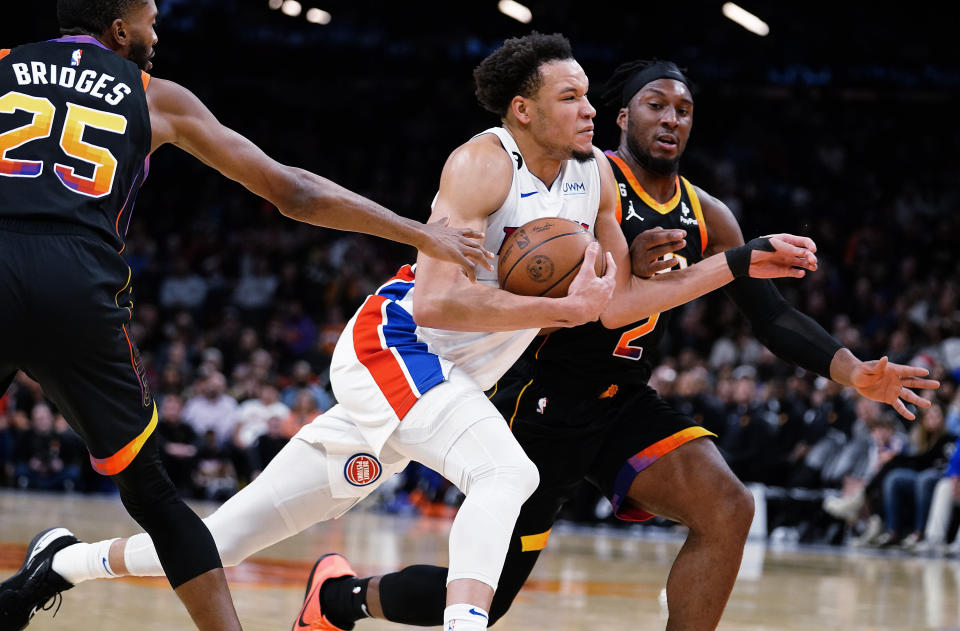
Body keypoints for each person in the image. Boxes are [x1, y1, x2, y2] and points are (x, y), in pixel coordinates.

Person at [13, 34, 819, 631]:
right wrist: (554, 308)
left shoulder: (594, 181)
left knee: (215, 540)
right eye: (571, 97)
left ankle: (60, 562)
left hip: (446, 384)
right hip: (394, 347)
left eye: (587, 96)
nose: (588, 109)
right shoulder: (483, 163)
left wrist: (740, 261)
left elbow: (616, 304)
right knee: (505, 474)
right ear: (524, 109)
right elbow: (432, 305)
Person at [299, 58, 941, 631]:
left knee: (727, 508)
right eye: (656, 104)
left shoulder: (708, 213)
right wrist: (620, 260)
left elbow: (768, 314)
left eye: (684, 109)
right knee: (488, 601)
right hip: (536, 396)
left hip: (622, 400)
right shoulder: (581, 176)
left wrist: (853, 370)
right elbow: (551, 269)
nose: (672, 118)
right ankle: (339, 600)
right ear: (621, 116)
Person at [0, 0, 493, 629]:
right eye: (151, 19)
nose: (158, 31)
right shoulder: (157, 96)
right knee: (153, 496)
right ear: (120, 31)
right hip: (76, 279)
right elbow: (292, 191)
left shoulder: (5, 65)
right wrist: (418, 232)